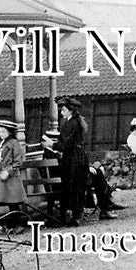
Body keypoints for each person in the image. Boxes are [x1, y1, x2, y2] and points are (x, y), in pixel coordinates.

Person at [53, 96, 90, 225]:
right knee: (76, 185)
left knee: (74, 185)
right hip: (76, 156)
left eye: (63, 110)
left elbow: (66, 144)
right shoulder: (74, 122)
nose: (61, 112)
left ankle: (75, 216)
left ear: (70, 110)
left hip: (73, 157)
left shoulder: (71, 124)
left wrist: (52, 145)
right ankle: (75, 215)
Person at [0, 120, 27, 211]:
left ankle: (16, 219)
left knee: (13, 200)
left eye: (3, 132)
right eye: (0, 132)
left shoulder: (14, 143)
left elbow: (18, 161)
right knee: (6, 199)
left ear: (9, 132)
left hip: (11, 178)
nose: (1, 134)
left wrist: (8, 170)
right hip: (1, 177)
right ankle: (13, 219)